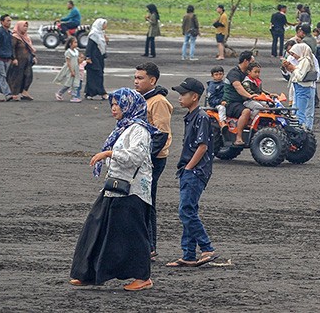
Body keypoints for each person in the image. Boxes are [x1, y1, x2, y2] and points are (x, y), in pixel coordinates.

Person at [70, 88, 155, 291]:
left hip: (133, 191)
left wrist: (108, 153)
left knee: (132, 234)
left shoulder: (139, 130)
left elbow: (135, 157)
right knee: (97, 228)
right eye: (113, 104)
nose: (114, 108)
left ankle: (143, 277)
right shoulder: (124, 128)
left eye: (118, 104)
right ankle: (90, 273)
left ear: (129, 106)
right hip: (115, 188)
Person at [166, 77, 218, 268]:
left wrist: (189, 167)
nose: (179, 97)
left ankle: (207, 248)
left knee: (186, 210)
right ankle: (188, 254)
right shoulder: (192, 115)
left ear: (194, 96)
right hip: (191, 170)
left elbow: (202, 146)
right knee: (189, 210)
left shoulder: (201, 117)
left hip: (195, 170)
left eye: (183, 94)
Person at [134, 62, 173, 261]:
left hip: (153, 160)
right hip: (145, 158)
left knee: (147, 202)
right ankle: (145, 245)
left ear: (153, 80)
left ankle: (149, 247)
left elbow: (162, 134)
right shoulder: (145, 99)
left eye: (140, 78)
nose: (136, 81)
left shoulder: (157, 101)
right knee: (141, 201)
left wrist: (144, 158)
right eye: (135, 77)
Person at [223, 51, 257, 146]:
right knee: (246, 111)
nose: (253, 64)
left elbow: (255, 86)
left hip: (242, 101)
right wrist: (249, 96)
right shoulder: (234, 73)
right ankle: (239, 137)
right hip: (231, 102)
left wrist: (268, 94)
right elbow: (238, 87)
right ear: (246, 61)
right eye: (252, 62)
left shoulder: (247, 73)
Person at [282, 43, 318, 130]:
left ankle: (301, 131)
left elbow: (300, 76)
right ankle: (303, 130)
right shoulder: (303, 60)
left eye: (294, 54)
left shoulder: (305, 61)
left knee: (300, 113)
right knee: (299, 111)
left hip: (303, 88)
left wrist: (293, 68)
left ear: (299, 51)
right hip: (301, 87)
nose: (293, 56)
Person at [7, 20, 37, 100]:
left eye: (26, 26)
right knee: (17, 77)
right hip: (18, 61)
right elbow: (12, 48)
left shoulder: (26, 37)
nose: (25, 28)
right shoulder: (15, 36)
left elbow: (30, 49)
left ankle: (25, 92)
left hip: (27, 61)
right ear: (19, 27)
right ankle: (14, 94)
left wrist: (33, 57)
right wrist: (14, 58)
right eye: (24, 26)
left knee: (29, 76)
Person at [84, 18, 109, 100]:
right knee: (96, 74)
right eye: (104, 24)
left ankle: (89, 93)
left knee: (98, 74)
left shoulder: (101, 33)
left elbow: (102, 46)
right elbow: (89, 47)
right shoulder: (93, 34)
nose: (105, 26)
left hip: (99, 57)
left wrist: (106, 41)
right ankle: (102, 92)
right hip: (93, 57)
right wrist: (88, 57)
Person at [53, 37, 82, 102]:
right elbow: (68, 63)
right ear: (70, 44)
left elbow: (77, 61)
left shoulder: (76, 51)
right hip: (70, 69)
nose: (76, 44)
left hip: (76, 69)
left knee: (76, 83)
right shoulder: (68, 52)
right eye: (75, 42)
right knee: (68, 83)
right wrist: (71, 71)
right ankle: (59, 93)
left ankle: (74, 96)